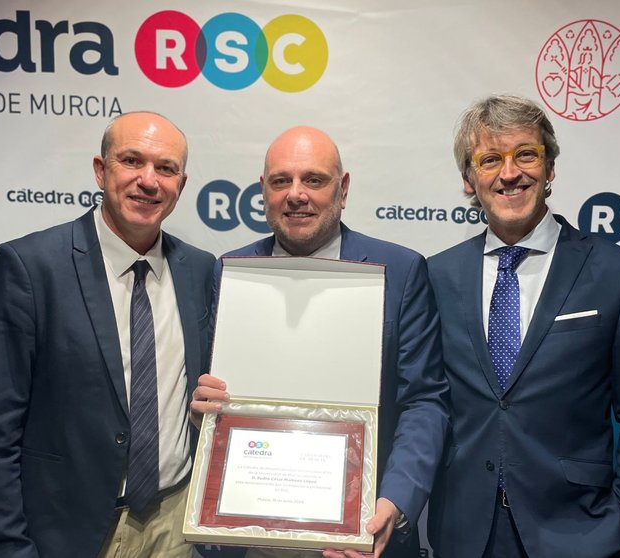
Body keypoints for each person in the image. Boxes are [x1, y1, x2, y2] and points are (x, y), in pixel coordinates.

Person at [426, 95, 620, 558]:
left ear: (550, 166)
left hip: (579, 533)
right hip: (464, 532)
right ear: (468, 179)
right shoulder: (436, 277)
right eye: (490, 159)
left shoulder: (618, 275)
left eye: (526, 154)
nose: (510, 173)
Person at [0, 112, 215, 558]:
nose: (148, 181)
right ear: (101, 170)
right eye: (132, 161)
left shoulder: (199, 270)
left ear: (182, 182)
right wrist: (7, 548)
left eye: (166, 168)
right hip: (68, 531)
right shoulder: (30, 267)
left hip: (176, 525)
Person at [191, 126, 449, 558]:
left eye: (314, 179)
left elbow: (425, 401)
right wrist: (204, 409)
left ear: (343, 189)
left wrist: (395, 503)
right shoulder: (231, 273)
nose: (296, 194)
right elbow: (210, 397)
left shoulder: (401, 272)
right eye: (280, 181)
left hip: (360, 536)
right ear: (263, 190)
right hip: (246, 536)